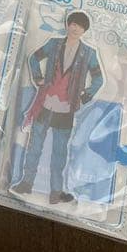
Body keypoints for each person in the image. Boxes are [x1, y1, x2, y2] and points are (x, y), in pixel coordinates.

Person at [11, 11, 104, 204]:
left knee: (60, 152)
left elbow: (99, 78)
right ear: (67, 24)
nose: (75, 28)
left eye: (80, 26)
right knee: (34, 146)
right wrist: (38, 78)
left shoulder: (89, 53)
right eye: (73, 23)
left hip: (66, 108)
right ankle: (26, 183)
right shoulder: (54, 44)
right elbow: (33, 58)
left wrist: (85, 95)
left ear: (85, 30)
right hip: (45, 103)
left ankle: (55, 192)